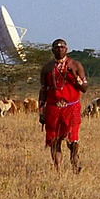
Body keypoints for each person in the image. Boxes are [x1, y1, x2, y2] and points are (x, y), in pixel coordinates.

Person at [39, 39, 88, 173]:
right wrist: (41, 111)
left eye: (62, 47)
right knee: (54, 141)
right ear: (52, 50)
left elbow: (84, 88)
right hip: (53, 108)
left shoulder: (76, 65)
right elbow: (43, 90)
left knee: (72, 139)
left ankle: (74, 161)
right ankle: (58, 170)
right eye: (56, 47)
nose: (59, 49)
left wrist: (74, 75)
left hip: (71, 107)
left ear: (66, 49)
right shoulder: (47, 68)